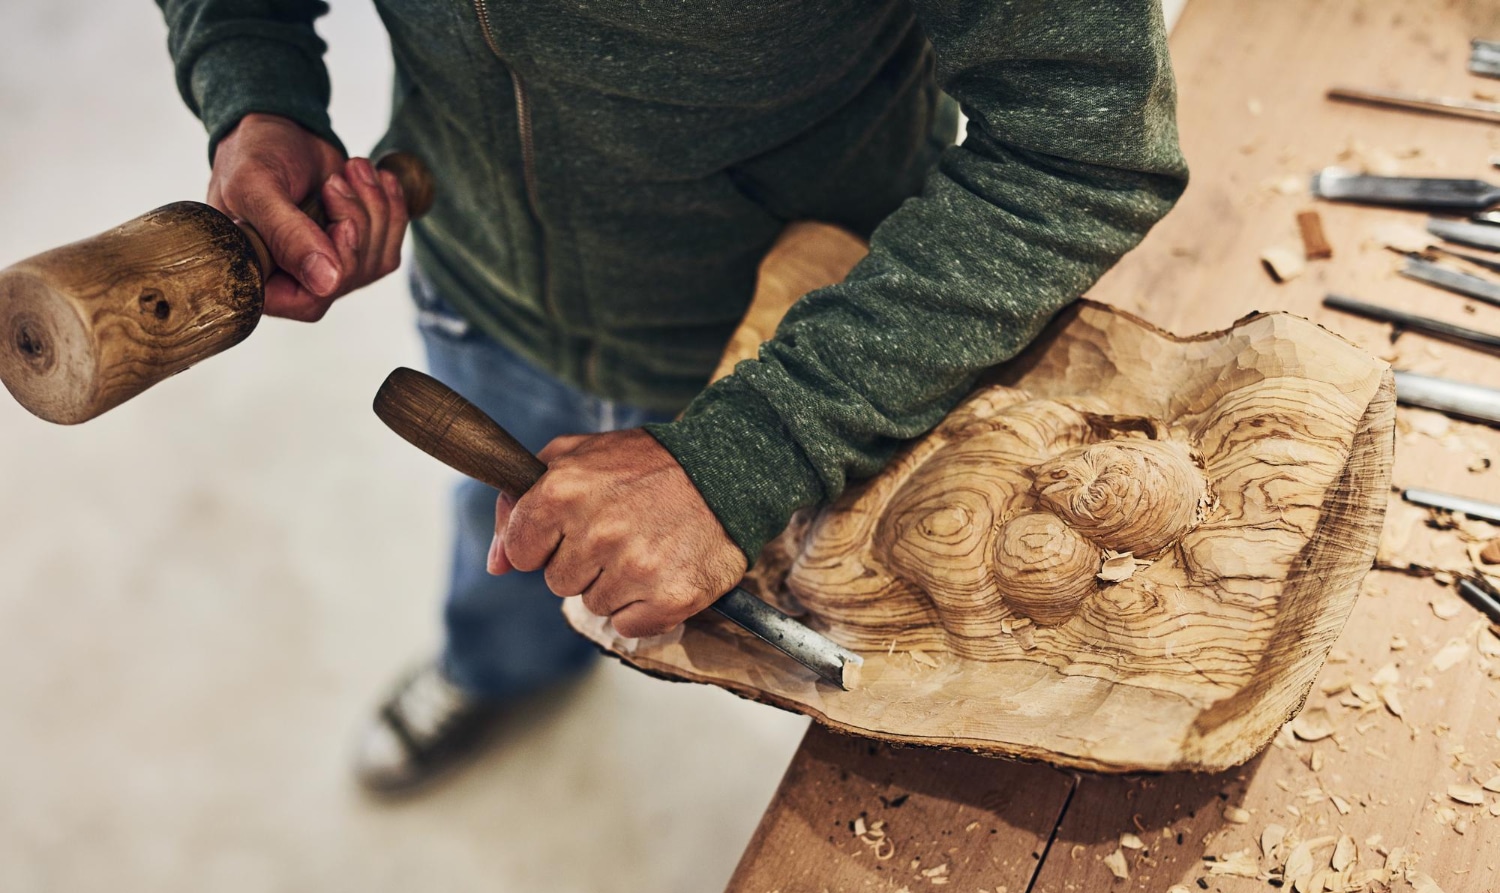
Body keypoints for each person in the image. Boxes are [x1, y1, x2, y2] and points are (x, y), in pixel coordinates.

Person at [154, 0, 1187, 792]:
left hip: (816, 326)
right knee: (507, 536)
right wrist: (253, 88)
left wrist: (761, 444)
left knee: (841, 653)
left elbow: (1080, 147)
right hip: (484, 277)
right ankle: (499, 667)